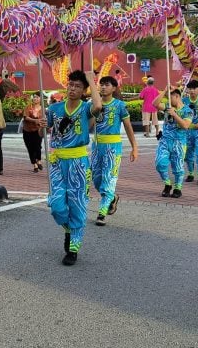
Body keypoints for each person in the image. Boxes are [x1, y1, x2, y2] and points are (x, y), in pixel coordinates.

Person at [41, 70, 102, 265]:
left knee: (77, 203)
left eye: (77, 86)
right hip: (57, 162)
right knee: (56, 204)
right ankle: (68, 228)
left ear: (84, 90)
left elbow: (99, 105)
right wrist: (42, 123)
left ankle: (74, 245)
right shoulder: (55, 108)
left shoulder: (86, 109)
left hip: (78, 163)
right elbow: (49, 127)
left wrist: (91, 81)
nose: (72, 89)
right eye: (70, 85)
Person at [91, 76, 137, 224]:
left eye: (107, 85)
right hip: (97, 146)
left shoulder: (119, 105)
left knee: (109, 178)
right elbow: (88, 124)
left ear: (114, 88)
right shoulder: (92, 104)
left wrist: (134, 147)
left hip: (113, 148)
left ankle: (102, 212)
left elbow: (128, 126)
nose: (103, 87)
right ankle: (113, 197)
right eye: (101, 85)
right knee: (97, 180)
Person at [153, 88, 193, 197]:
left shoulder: (188, 111)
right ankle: (167, 184)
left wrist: (175, 115)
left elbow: (185, 125)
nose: (168, 100)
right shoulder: (167, 107)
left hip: (179, 143)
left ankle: (177, 188)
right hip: (165, 141)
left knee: (178, 168)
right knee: (159, 164)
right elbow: (155, 104)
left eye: (170, 97)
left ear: (177, 96)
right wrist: (164, 91)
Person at [21, 93, 45, 172]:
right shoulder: (28, 107)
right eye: (34, 97)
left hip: (38, 131)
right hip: (27, 131)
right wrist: (35, 120)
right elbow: (25, 117)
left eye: (37, 97)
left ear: (40, 99)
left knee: (38, 147)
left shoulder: (43, 109)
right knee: (30, 147)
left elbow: (44, 120)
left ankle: (39, 160)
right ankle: (34, 164)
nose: (35, 99)